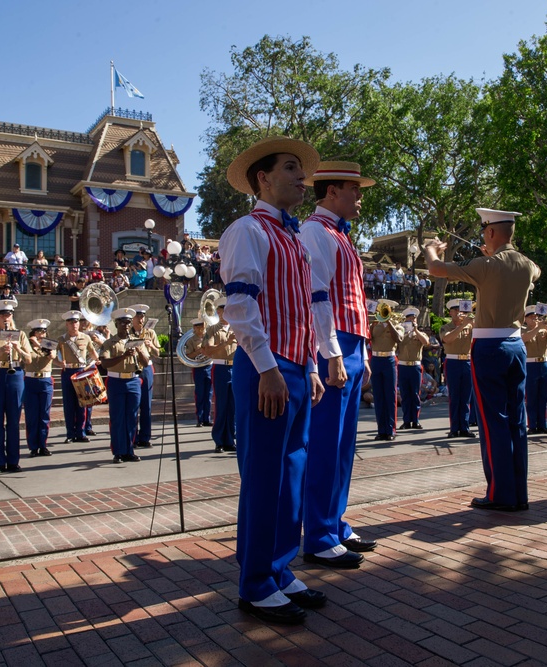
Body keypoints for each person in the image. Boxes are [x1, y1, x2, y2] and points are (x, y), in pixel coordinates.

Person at [220, 136, 327, 624]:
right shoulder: (248, 229)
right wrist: (267, 367)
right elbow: (240, 307)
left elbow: (302, 310)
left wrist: (309, 367)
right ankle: (256, 582)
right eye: (290, 169)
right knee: (264, 475)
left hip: (294, 369)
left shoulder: (294, 237)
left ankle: (280, 568)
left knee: (292, 472)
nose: (302, 178)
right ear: (262, 178)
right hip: (268, 368)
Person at [424, 208, 541, 512]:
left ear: (490, 233)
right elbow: (529, 269)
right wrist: (493, 253)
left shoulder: (486, 265)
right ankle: (518, 492)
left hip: (489, 348)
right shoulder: (527, 265)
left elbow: (436, 269)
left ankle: (500, 494)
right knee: (517, 421)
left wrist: (430, 250)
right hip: (517, 346)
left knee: (493, 423)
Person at [300, 160, 376, 569]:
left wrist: (359, 354)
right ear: (331, 192)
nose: (360, 197)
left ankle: (334, 522)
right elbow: (318, 299)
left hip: (350, 344)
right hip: (333, 345)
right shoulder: (315, 230)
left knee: (344, 446)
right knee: (326, 444)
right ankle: (318, 534)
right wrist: (331, 353)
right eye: (354, 189)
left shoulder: (337, 234)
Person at [0, 299, 34, 474]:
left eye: (8, 314)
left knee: (13, 421)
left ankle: (13, 461)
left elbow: (29, 359)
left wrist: (17, 349)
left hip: (15, 375)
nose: (6, 317)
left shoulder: (21, 334)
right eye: (2, 315)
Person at [98, 308, 148, 463]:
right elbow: (105, 363)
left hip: (133, 380)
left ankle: (129, 450)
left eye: (128, 322)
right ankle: (118, 451)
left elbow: (145, 363)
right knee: (118, 418)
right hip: (116, 381)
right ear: (116, 323)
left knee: (132, 418)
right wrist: (123, 356)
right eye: (122, 322)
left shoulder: (136, 340)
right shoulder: (109, 343)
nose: (126, 325)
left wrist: (139, 351)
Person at [55, 311, 98, 443]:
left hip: (81, 370)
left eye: (76, 322)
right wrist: (59, 363)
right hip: (68, 371)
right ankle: (70, 433)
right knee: (69, 404)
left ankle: (81, 432)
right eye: (71, 322)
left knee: (82, 402)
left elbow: (93, 353)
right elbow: (53, 357)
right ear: (67, 324)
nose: (74, 325)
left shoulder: (85, 337)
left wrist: (91, 363)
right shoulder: (61, 340)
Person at [201, 299, 237, 453]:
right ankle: (219, 440)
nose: (223, 313)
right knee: (221, 405)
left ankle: (230, 439)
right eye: (221, 310)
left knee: (233, 406)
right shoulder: (212, 329)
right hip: (220, 367)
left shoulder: (237, 328)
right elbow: (208, 350)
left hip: (235, 367)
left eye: (226, 310)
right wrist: (226, 343)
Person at [522, 306, 547, 435]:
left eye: (536, 316)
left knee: (544, 396)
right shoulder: (522, 330)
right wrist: (538, 328)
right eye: (532, 317)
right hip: (530, 365)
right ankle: (532, 425)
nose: (535, 319)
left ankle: (543, 424)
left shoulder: (544, 330)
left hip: (544, 363)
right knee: (532, 397)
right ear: (525, 319)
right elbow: (524, 339)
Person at [441, 299, 476, 438]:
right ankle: (454, 428)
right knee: (455, 397)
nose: (459, 313)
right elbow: (447, 339)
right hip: (453, 361)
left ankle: (465, 427)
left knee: (466, 397)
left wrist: (472, 323)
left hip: (467, 361)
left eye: (461, 310)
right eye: (456, 310)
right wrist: (463, 326)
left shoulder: (471, 327)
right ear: (450, 312)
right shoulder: (446, 327)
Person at [368, 301, 403, 441]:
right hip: (376, 359)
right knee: (378, 396)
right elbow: (367, 339)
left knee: (390, 395)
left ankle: (390, 429)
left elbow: (399, 339)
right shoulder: (375, 325)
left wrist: (389, 323)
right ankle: (381, 429)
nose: (384, 312)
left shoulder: (398, 325)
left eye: (387, 310)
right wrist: (371, 326)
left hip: (389, 359)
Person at [129, 304, 162, 448]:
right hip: (133, 368)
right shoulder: (127, 332)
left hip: (147, 367)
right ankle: (133, 436)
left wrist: (151, 346)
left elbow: (158, 353)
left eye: (142, 316)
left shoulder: (150, 333)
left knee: (146, 405)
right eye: (138, 316)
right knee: (133, 405)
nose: (141, 319)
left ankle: (145, 437)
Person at [24, 319, 55, 458]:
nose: (41, 334)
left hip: (45, 380)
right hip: (30, 380)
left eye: (43, 331)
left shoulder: (49, 344)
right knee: (32, 416)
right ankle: (33, 446)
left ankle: (43, 445)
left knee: (44, 415)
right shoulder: (27, 346)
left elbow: (52, 355)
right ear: (33, 333)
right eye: (38, 331)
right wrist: (32, 344)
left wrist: (39, 344)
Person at [395, 307, 429, 430]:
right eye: (409, 318)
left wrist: (415, 330)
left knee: (415, 394)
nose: (412, 320)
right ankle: (406, 420)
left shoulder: (420, 333)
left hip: (415, 365)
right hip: (403, 365)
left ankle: (415, 420)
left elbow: (426, 342)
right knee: (405, 394)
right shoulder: (401, 333)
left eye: (413, 318)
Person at [182, 318, 213, 427]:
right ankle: (199, 418)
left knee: (209, 394)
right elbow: (188, 356)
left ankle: (207, 418)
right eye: (198, 326)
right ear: (194, 328)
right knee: (199, 394)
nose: (200, 329)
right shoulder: (191, 340)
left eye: (202, 326)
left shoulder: (209, 337)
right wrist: (199, 351)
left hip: (209, 366)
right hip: (198, 367)